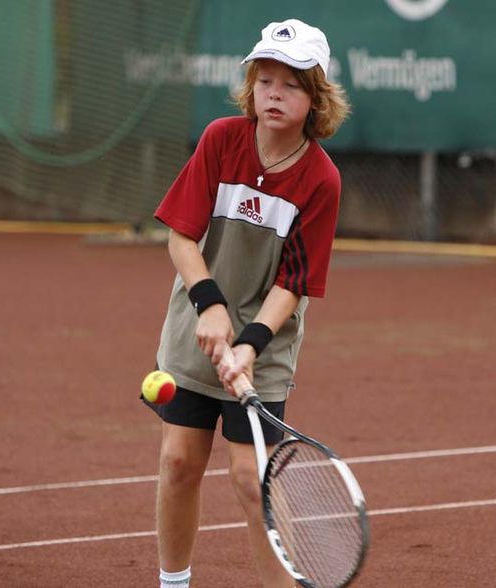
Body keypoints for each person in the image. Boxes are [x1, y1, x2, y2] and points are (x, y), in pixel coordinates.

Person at [142, 18, 350, 588]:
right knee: (180, 463)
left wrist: (250, 344)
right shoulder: (220, 140)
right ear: (251, 87)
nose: (274, 93)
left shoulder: (322, 181)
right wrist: (209, 306)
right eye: (265, 80)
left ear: (316, 97)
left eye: (292, 83)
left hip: (265, 345)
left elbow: (293, 283)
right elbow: (182, 237)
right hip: (194, 333)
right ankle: (173, 583)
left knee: (248, 477)